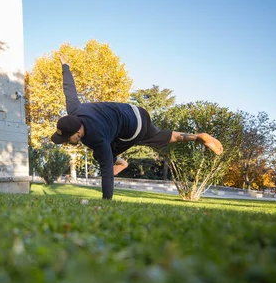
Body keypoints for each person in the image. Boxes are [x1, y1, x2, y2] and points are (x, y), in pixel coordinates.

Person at [50, 54, 223, 200]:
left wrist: (106, 201)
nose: (65, 142)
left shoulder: (97, 137)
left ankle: (119, 162)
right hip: (136, 111)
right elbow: (69, 90)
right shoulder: (73, 110)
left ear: (78, 132)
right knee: (164, 136)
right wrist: (65, 66)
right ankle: (198, 136)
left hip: (132, 129)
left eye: (66, 138)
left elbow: (106, 174)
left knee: (103, 156)